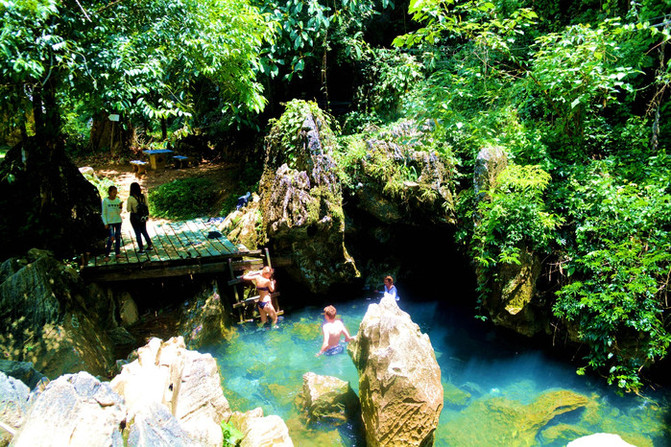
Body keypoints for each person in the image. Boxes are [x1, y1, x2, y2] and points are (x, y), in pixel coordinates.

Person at [127, 182, 154, 253]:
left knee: (137, 232)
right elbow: (147, 205)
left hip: (134, 217)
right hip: (143, 216)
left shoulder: (131, 198)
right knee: (144, 231)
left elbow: (128, 209)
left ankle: (141, 248)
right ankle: (149, 245)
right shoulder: (143, 196)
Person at [102, 185, 123, 262]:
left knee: (118, 237)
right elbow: (103, 213)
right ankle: (107, 254)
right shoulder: (105, 201)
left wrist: (120, 207)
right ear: (110, 192)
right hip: (110, 222)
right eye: (113, 192)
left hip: (117, 221)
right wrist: (105, 223)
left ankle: (117, 253)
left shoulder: (117, 200)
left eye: (116, 192)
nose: (115, 194)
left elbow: (119, 213)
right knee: (111, 237)